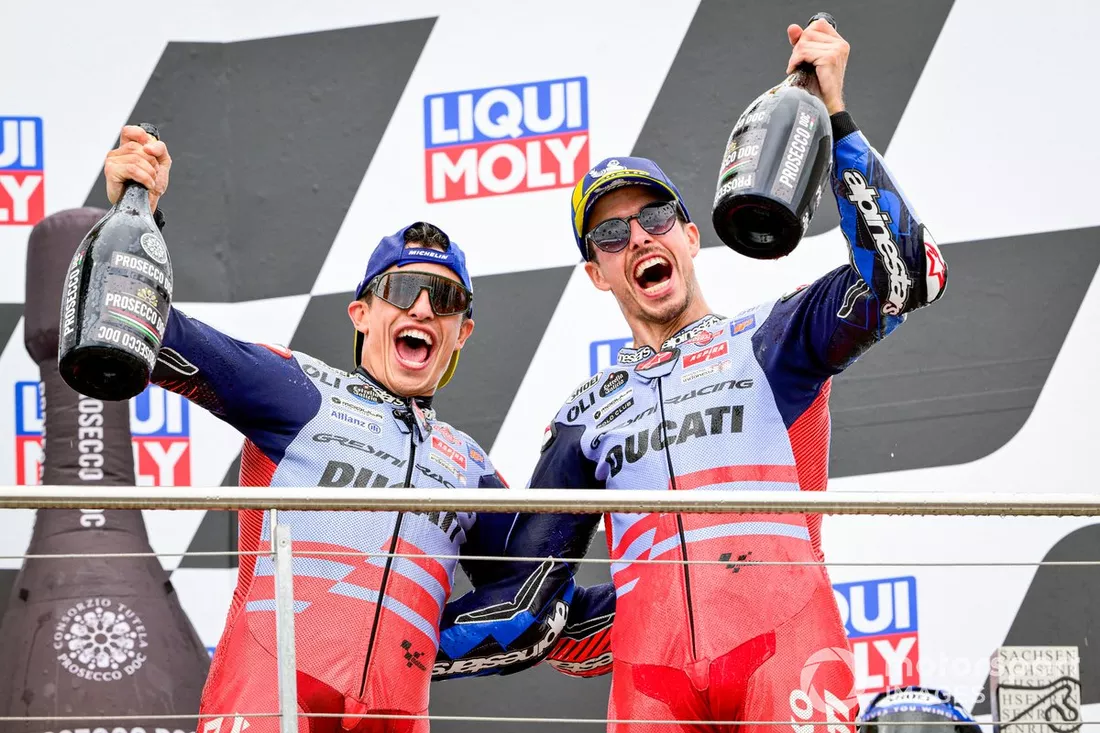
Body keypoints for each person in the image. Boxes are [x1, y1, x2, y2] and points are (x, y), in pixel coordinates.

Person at [526, 18, 948, 732]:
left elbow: (910, 276)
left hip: (788, 661)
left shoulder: (772, 337)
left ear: (690, 236)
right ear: (597, 273)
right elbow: (526, 601)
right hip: (653, 686)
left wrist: (834, 121)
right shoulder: (586, 415)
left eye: (656, 215)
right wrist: (642, 606)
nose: (639, 236)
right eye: (611, 234)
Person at [101, 127, 579, 733]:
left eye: (445, 299)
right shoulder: (296, 387)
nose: (422, 308)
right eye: (403, 289)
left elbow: (539, 600)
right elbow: (134, 318)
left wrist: (678, 595)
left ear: (461, 333)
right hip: (270, 703)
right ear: (361, 314)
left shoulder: (470, 466)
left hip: (393, 716)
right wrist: (136, 211)